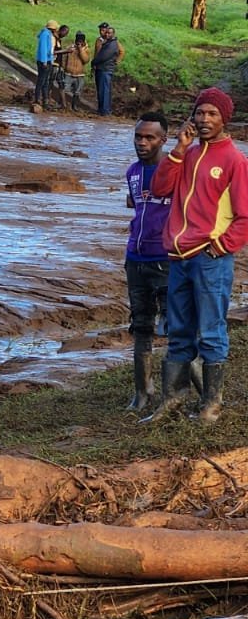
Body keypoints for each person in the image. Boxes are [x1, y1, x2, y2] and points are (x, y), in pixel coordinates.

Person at [145, 88, 248, 424]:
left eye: (212, 114)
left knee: (211, 330)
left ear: (224, 119)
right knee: (178, 330)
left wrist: (219, 246)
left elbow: (244, 216)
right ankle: (172, 402)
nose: (204, 120)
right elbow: (160, 188)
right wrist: (178, 148)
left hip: (210, 258)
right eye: (200, 113)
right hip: (179, 256)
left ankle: (211, 406)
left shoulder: (234, 159)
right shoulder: (187, 154)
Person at [124, 113, 173, 411]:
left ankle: (183, 394)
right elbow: (135, 207)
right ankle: (143, 393)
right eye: (138, 137)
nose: (142, 142)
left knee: (175, 330)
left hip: (167, 261)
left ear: (163, 140)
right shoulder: (131, 172)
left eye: (149, 137)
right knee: (140, 327)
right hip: (135, 260)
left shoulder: (176, 171)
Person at [92, 22, 123, 116]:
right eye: (101, 30)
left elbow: (121, 51)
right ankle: (102, 109)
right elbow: (96, 53)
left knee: (105, 89)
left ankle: (105, 110)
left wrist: (116, 61)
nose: (103, 33)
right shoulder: (99, 40)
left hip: (105, 67)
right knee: (100, 89)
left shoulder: (113, 42)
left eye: (105, 31)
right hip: (99, 66)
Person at [34, 20, 58, 108]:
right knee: (41, 81)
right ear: (53, 28)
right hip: (44, 61)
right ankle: (37, 99)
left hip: (47, 60)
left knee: (45, 82)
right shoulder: (45, 34)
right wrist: (44, 61)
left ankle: (45, 101)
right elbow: (43, 48)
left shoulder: (47, 34)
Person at [64, 31, 91, 112]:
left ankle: (74, 106)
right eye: (78, 40)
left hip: (80, 74)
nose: (79, 42)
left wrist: (80, 50)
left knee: (77, 92)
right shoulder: (70, 48)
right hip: (68, 73)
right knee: (65, 89)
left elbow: (85, 60)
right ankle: (63, 104)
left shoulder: (86, 49)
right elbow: (65, 58)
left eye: (81, 41)